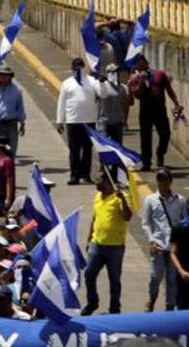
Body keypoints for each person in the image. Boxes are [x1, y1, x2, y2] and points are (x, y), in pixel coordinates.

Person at [82, 172, 132, 315]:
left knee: (114, 280)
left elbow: (127, 217)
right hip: (96, 244)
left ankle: (114, 309)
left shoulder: (121, 197)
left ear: (108, 182)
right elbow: (94, 218)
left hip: (115, 247)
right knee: (89, 275)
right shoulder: (98, 196)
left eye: (98, 180)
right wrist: (89, 238)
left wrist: (122, 200)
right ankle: (92, 303)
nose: (96, 182)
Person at [128, 54, 183, 171]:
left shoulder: (159, 74)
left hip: (159, 109)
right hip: (146, 110)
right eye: (139, 64)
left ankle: (160, 153)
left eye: (143, 63)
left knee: (165, 133)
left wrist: (176, 104)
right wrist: (141, 81)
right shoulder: (135, 78)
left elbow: (169, 90)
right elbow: (137, 95)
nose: (141, 66)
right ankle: (146, 162)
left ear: (146, 63)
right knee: (145, 137)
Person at [142, 168, 186, 311]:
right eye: (160, 181)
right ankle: (152, 298)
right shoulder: (151, 200)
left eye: (165, 180)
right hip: (159, 245)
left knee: (172, 280)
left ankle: (169, 307)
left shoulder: (180, 200)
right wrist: (151, 240)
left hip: (174, 247)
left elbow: (184, 222)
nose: (162, 184)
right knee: (155, 277)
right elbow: (146, 223)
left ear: (170, 181)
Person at [57, 58, 100, 185]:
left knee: (87, 149)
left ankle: (85, 174)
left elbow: (102, 94)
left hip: (89, 120)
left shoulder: (92, 81)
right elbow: (62, 102)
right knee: (74, 149)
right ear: (72, 69)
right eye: (76, 67)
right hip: (73, 121)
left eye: (80, 67)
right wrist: (60, 121)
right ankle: (74, 175)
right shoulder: (67, 83)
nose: (78, 70)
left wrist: (102, 82)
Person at [0, 66, 25, 158]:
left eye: (6, 75)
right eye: (1, 75)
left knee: (11, 150)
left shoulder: (16, 90)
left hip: (12, 124)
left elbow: (20, 108)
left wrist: (22, 124)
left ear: (10, 77)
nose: (3, 77)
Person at [97, 63, 128, 143]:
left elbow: (126, 104)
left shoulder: (123, 88)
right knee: (105, 147)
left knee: (118, 147)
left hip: (117, 122)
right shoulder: (101, 86)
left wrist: (124, 119)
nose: (114, 74)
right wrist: (102, 83)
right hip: (104, 122)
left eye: (116, 72)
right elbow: (102, 95)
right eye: (111, 72)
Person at [170, 213, 189, 310]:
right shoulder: (178, 228)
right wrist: (181, 271)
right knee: (182, 305)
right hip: (184, 276)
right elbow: (173, 253)